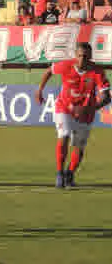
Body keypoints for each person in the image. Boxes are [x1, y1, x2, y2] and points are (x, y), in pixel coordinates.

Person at [35, 42, 111, 188]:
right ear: (75, 56)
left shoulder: (97, 72)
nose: (83, 59)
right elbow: (48, 71)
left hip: (86, 113)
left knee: (79, 147)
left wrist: (91, 108)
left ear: (91, 57)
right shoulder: (66, 65)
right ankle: (59, 173)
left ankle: (69, 174)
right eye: (80, 56)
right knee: (63, 135)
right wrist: (39, 90)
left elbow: (107, 97)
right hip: (65, 107)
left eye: (86, 56)